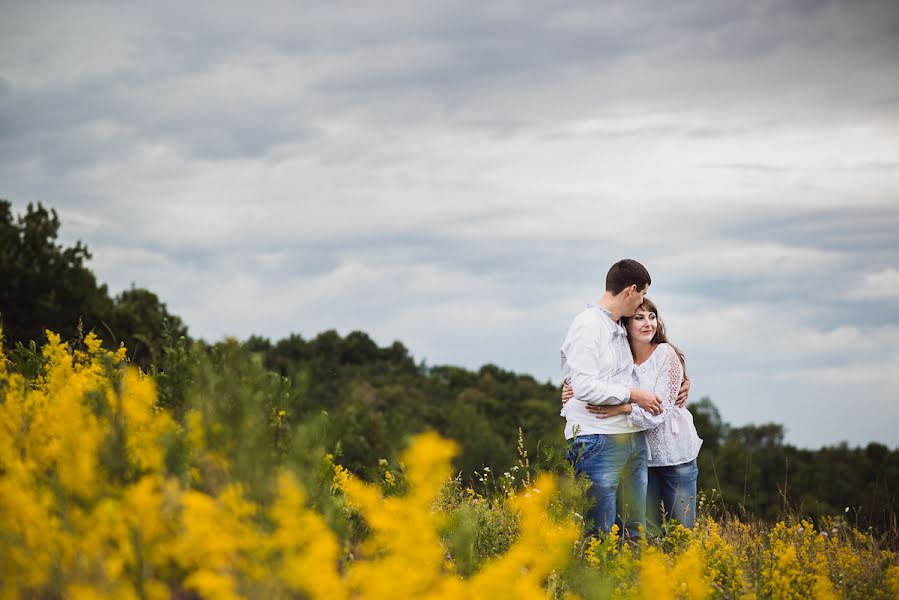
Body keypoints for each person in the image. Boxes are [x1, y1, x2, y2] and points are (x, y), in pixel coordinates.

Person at [563, 297, 702, 530]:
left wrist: (623, 407)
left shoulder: (665, 354)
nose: (648, 323)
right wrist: (572, 390)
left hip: (675, 456)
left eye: (652, 317)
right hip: (641, 455)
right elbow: (594, 380)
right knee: (646, 532)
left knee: (681, 534)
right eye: (639, 318)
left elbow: (660, 411)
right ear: (625, 324)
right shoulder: (621, 357)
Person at [560, 259, 668, 539]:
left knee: (635, 532)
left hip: (631, 438)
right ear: (631, 290)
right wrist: (635, 395)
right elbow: (583, 386)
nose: (642, 303)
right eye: (642, 295)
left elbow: (646, 359)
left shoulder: (618, 326)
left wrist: (681, 379)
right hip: (598, 439)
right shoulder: (587, 325)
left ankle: (631, 583)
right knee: (600, 534)